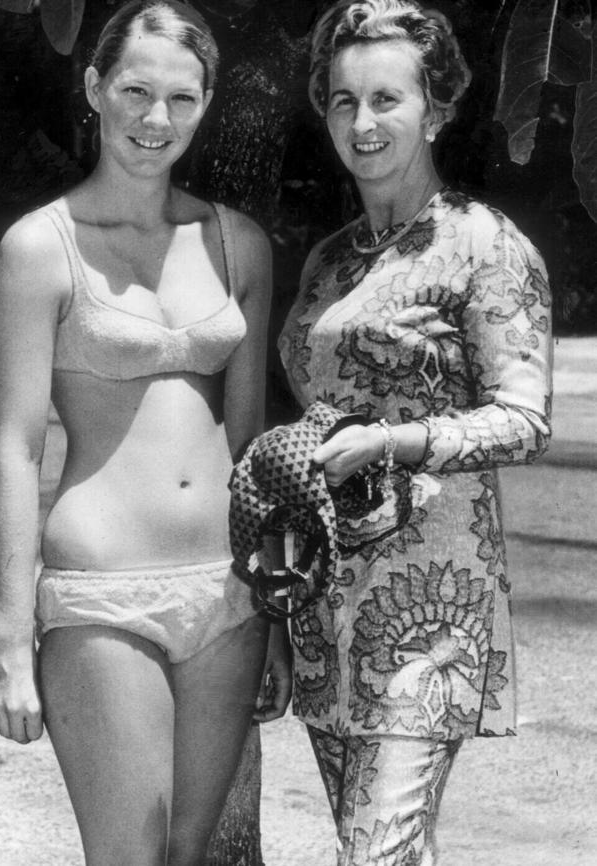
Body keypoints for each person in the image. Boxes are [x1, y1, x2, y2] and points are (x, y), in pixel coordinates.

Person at [0, 2, 291, 863]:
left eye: (182, 99)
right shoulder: (40, 248)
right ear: (94, 88)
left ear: (205, 104)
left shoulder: (239, 245)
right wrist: (12, 639)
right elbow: (15, 449)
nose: (156, 120)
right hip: (102, 595)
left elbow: (250, 451)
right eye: (135, 90)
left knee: (190, 859)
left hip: (225, 596)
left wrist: (270, 615)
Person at [277, 1, 553, 863]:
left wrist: (395, 442)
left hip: (429, 615)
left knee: (378, 856)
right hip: (328, 610)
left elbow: (525, 419)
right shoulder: (328, 261)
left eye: (387, 99)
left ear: (436, 108)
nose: (363, 122)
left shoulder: (484, 244)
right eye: (344, 101)